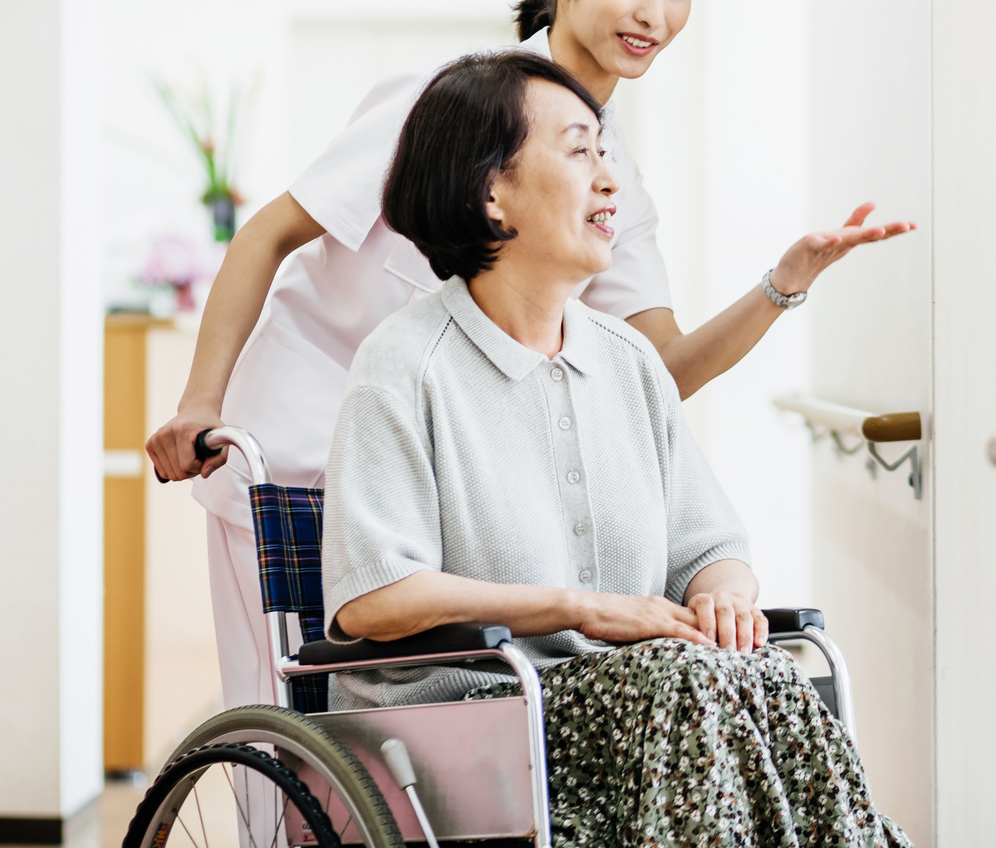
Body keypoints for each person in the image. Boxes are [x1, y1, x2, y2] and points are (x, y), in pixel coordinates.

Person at [146, 0, 914, 728]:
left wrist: (783, 286)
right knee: (291, 731)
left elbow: (660, 368)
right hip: (292, 449)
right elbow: (270, 234)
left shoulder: (608, 182)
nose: (654, 13)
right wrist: (198, 403)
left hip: (442, 480)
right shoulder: (448, 107)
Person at [322, 51, 913, 847]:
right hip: (472, 726)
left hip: (643, 708)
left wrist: (724, 599)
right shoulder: (404, 366)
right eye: (578, 152)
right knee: (687, 680)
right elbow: (374, 598)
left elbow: (711, 547)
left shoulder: (626, 362)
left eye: (606, 153)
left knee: (762, 666)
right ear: (491, 191)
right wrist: (578, 608)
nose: (610, 181)